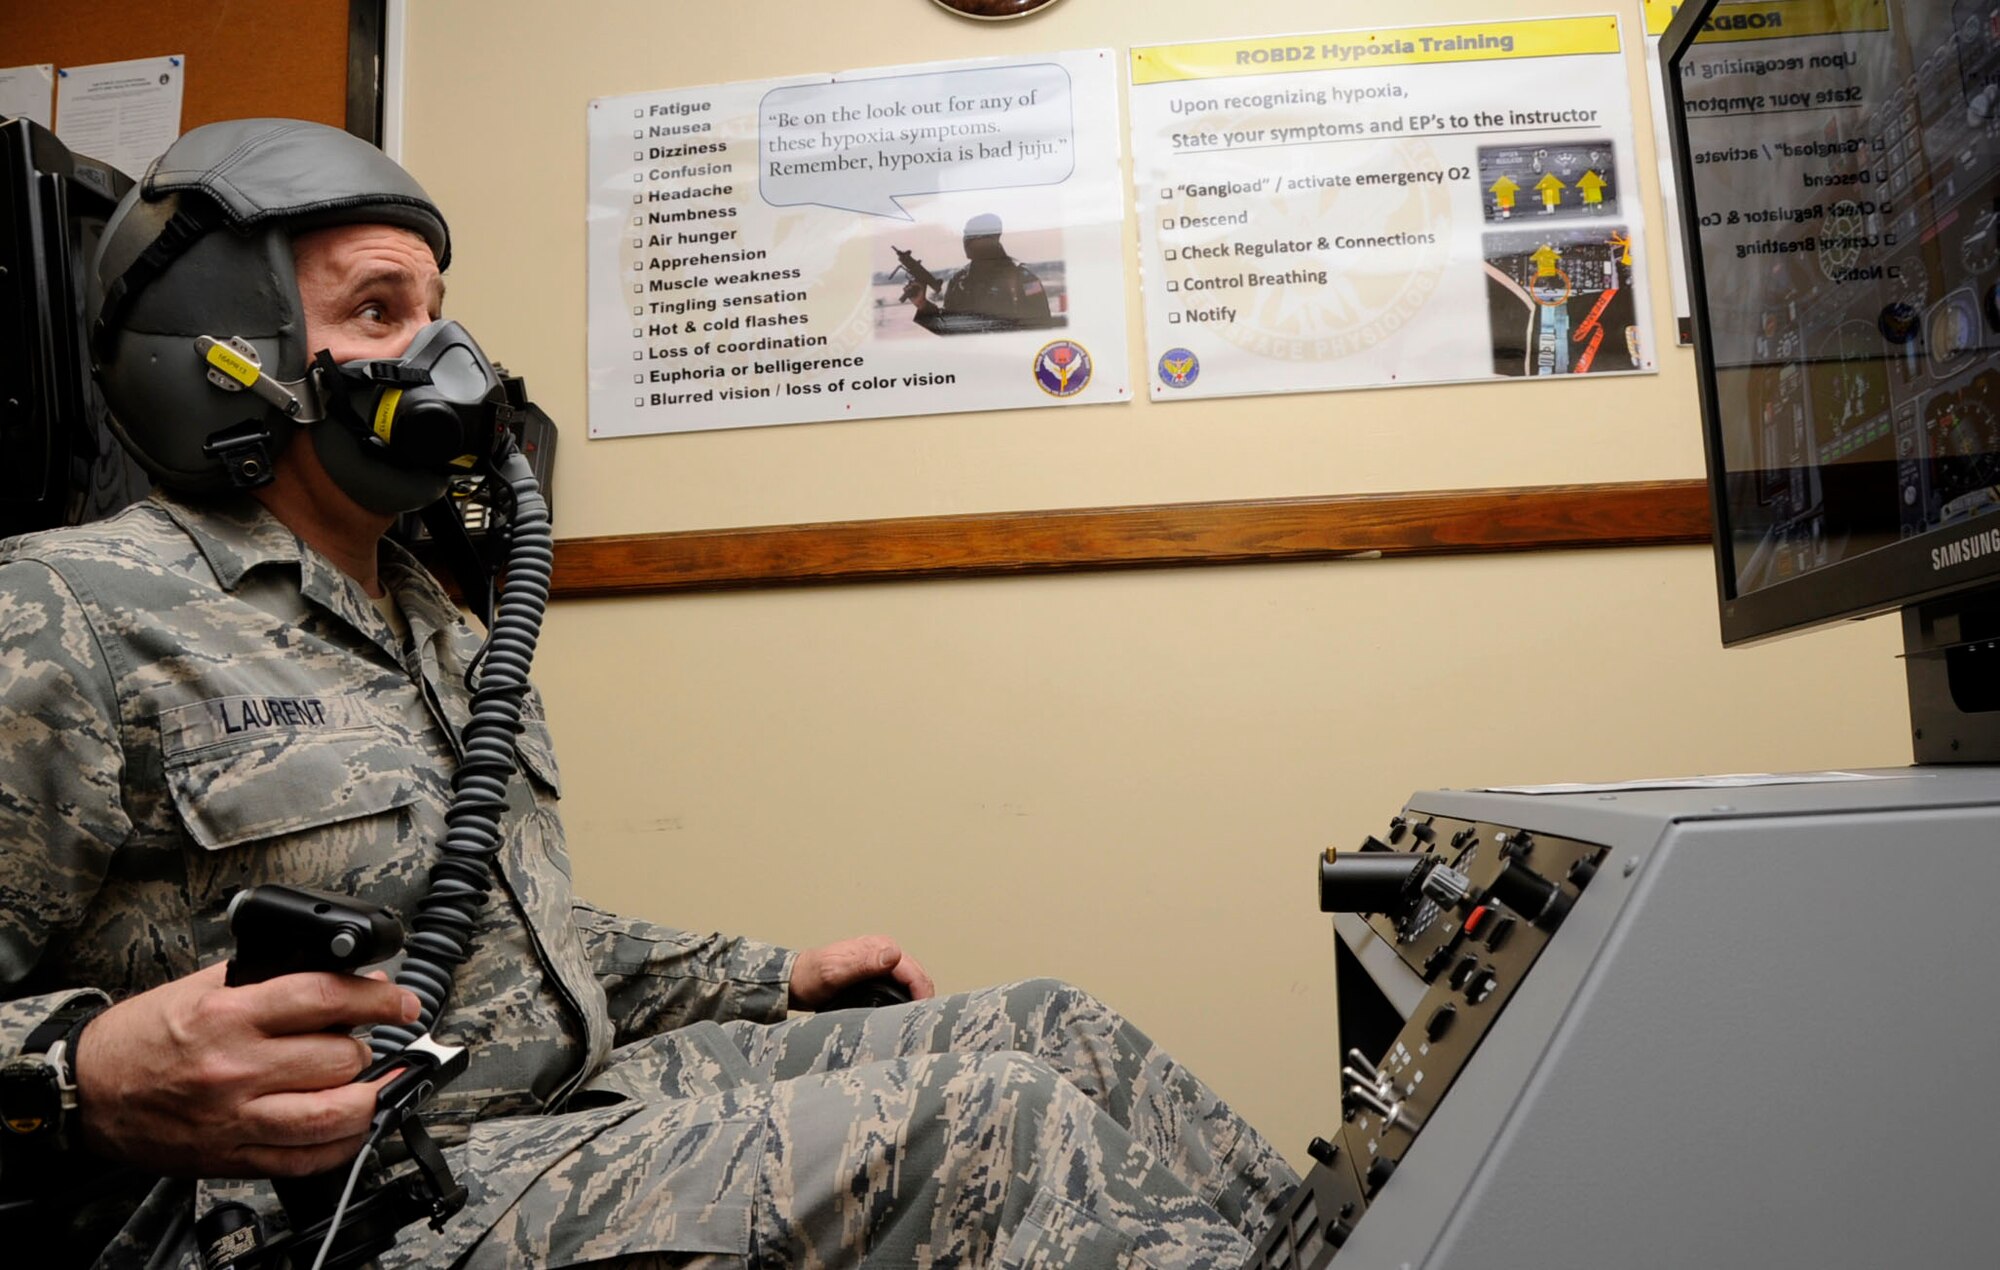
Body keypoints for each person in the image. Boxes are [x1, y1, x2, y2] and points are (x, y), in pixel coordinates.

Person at [0, 119, 1297, 1268]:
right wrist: (79, 1073)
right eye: (380, 311)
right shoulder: (69, 610)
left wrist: (774, 975)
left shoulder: (428, 615)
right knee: (985, 1127)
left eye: (441, 312)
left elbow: (491, 931)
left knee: (1051, 1028)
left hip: (557, 1112)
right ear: (226, 353)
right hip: (321, 1205)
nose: (447, 356)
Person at [904, 214, 1055, 335]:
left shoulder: (1026, 280)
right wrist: (922, 304)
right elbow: (948, 329)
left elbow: (1042, 327)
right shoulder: (959, 281)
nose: (967, 241)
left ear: (993, 238)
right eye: (966, 235)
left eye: (974, 236)